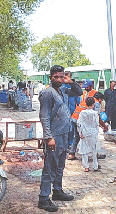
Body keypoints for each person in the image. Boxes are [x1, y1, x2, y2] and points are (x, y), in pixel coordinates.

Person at [37, 65, 82, 212]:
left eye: (61, 76)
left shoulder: (63, 90)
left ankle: (57, 191)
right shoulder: (48, 93)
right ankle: (44, 198)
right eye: (55, 77)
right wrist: (48, 137)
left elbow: (79, 92)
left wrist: (70, 81)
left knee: (60, 166)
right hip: (54, 136)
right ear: (51, 77)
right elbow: (44, 116)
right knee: (50, 167)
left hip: (65, 134)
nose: (58, 79)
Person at [68, 80, 103, 160]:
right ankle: (93, 154)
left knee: (76, 137)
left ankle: (72, 153)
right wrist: (103, 126)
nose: (85, 88)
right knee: (89, 136)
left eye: (87, 87)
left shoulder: (90, 94)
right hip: (79, 118)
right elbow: (96, 116)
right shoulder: (94, 101)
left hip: (75, 117)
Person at [77, 97, 101, 172]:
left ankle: (86, 166)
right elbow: (97, 124)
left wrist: (80, 132)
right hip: (93, 132)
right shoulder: (95, 113)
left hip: (85, 132)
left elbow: (79, 123)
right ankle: (95, 165)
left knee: (84, 150)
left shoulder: (82, 113)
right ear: (93, 104)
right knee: (94, 150)